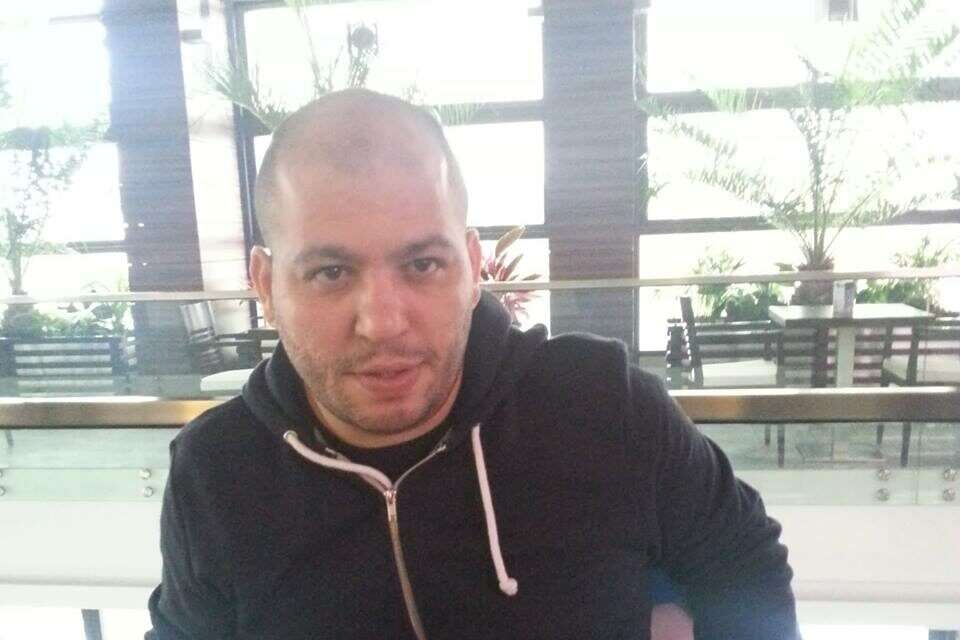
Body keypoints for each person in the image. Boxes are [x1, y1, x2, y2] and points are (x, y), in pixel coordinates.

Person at [147, 89, 798, 639]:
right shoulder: (216, 471)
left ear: (472, 265)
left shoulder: (601, 405)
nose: (383, 321)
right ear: (265, 285)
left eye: (421, 264)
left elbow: (745, 566)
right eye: (330, 272)